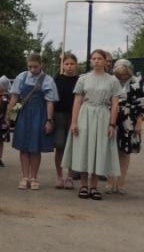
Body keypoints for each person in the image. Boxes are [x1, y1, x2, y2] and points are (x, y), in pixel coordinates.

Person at [61, 49, 122, 201]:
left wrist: (112, 124)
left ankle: (94, 187)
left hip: (103, 115)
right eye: (93, 58)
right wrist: (74, 122)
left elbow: (115, 104)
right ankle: (83, 185)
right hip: (85, 114)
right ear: (90, 61)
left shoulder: (112, 80)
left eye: (99, 58)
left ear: (105, 61)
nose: (96, 61)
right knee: (83, 148)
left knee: (98, 150)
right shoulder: (83, 78)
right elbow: (77, 101)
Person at [7, 54, 59, 190]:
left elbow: (49, 102)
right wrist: (8, 114)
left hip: (39, 115)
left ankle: (34, 177)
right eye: (30, 66)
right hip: (23, 114)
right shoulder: (22, 77)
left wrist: (49, 120)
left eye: (35, 66)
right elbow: (14, 97)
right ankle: (25, 177)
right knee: (24, 147)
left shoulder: (47, 80)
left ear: (41, 65)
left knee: (35, 148)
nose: (32, 69)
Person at [108, 59, 144, 194]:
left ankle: (121, 183)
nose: (122, 77)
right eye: (119, 74)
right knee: (110, 150)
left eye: (125, 74)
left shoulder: (137, 82)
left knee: (125, 151)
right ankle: (110, 183)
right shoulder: (111, 81)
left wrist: (139, 123)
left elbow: (141, 105)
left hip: (130, 120)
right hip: (112, 118)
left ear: (130, 71)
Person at [53, 53, 79, 188]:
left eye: (72, 64)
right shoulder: (57, 79)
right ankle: (59, 176)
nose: (69, 66)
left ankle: (70, 176)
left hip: (75, 115)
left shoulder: (80, 80)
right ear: (63, 65)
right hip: (59, 115)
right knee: (59, 146)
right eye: (67, 64)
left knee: (73, 146)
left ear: (76, 65)